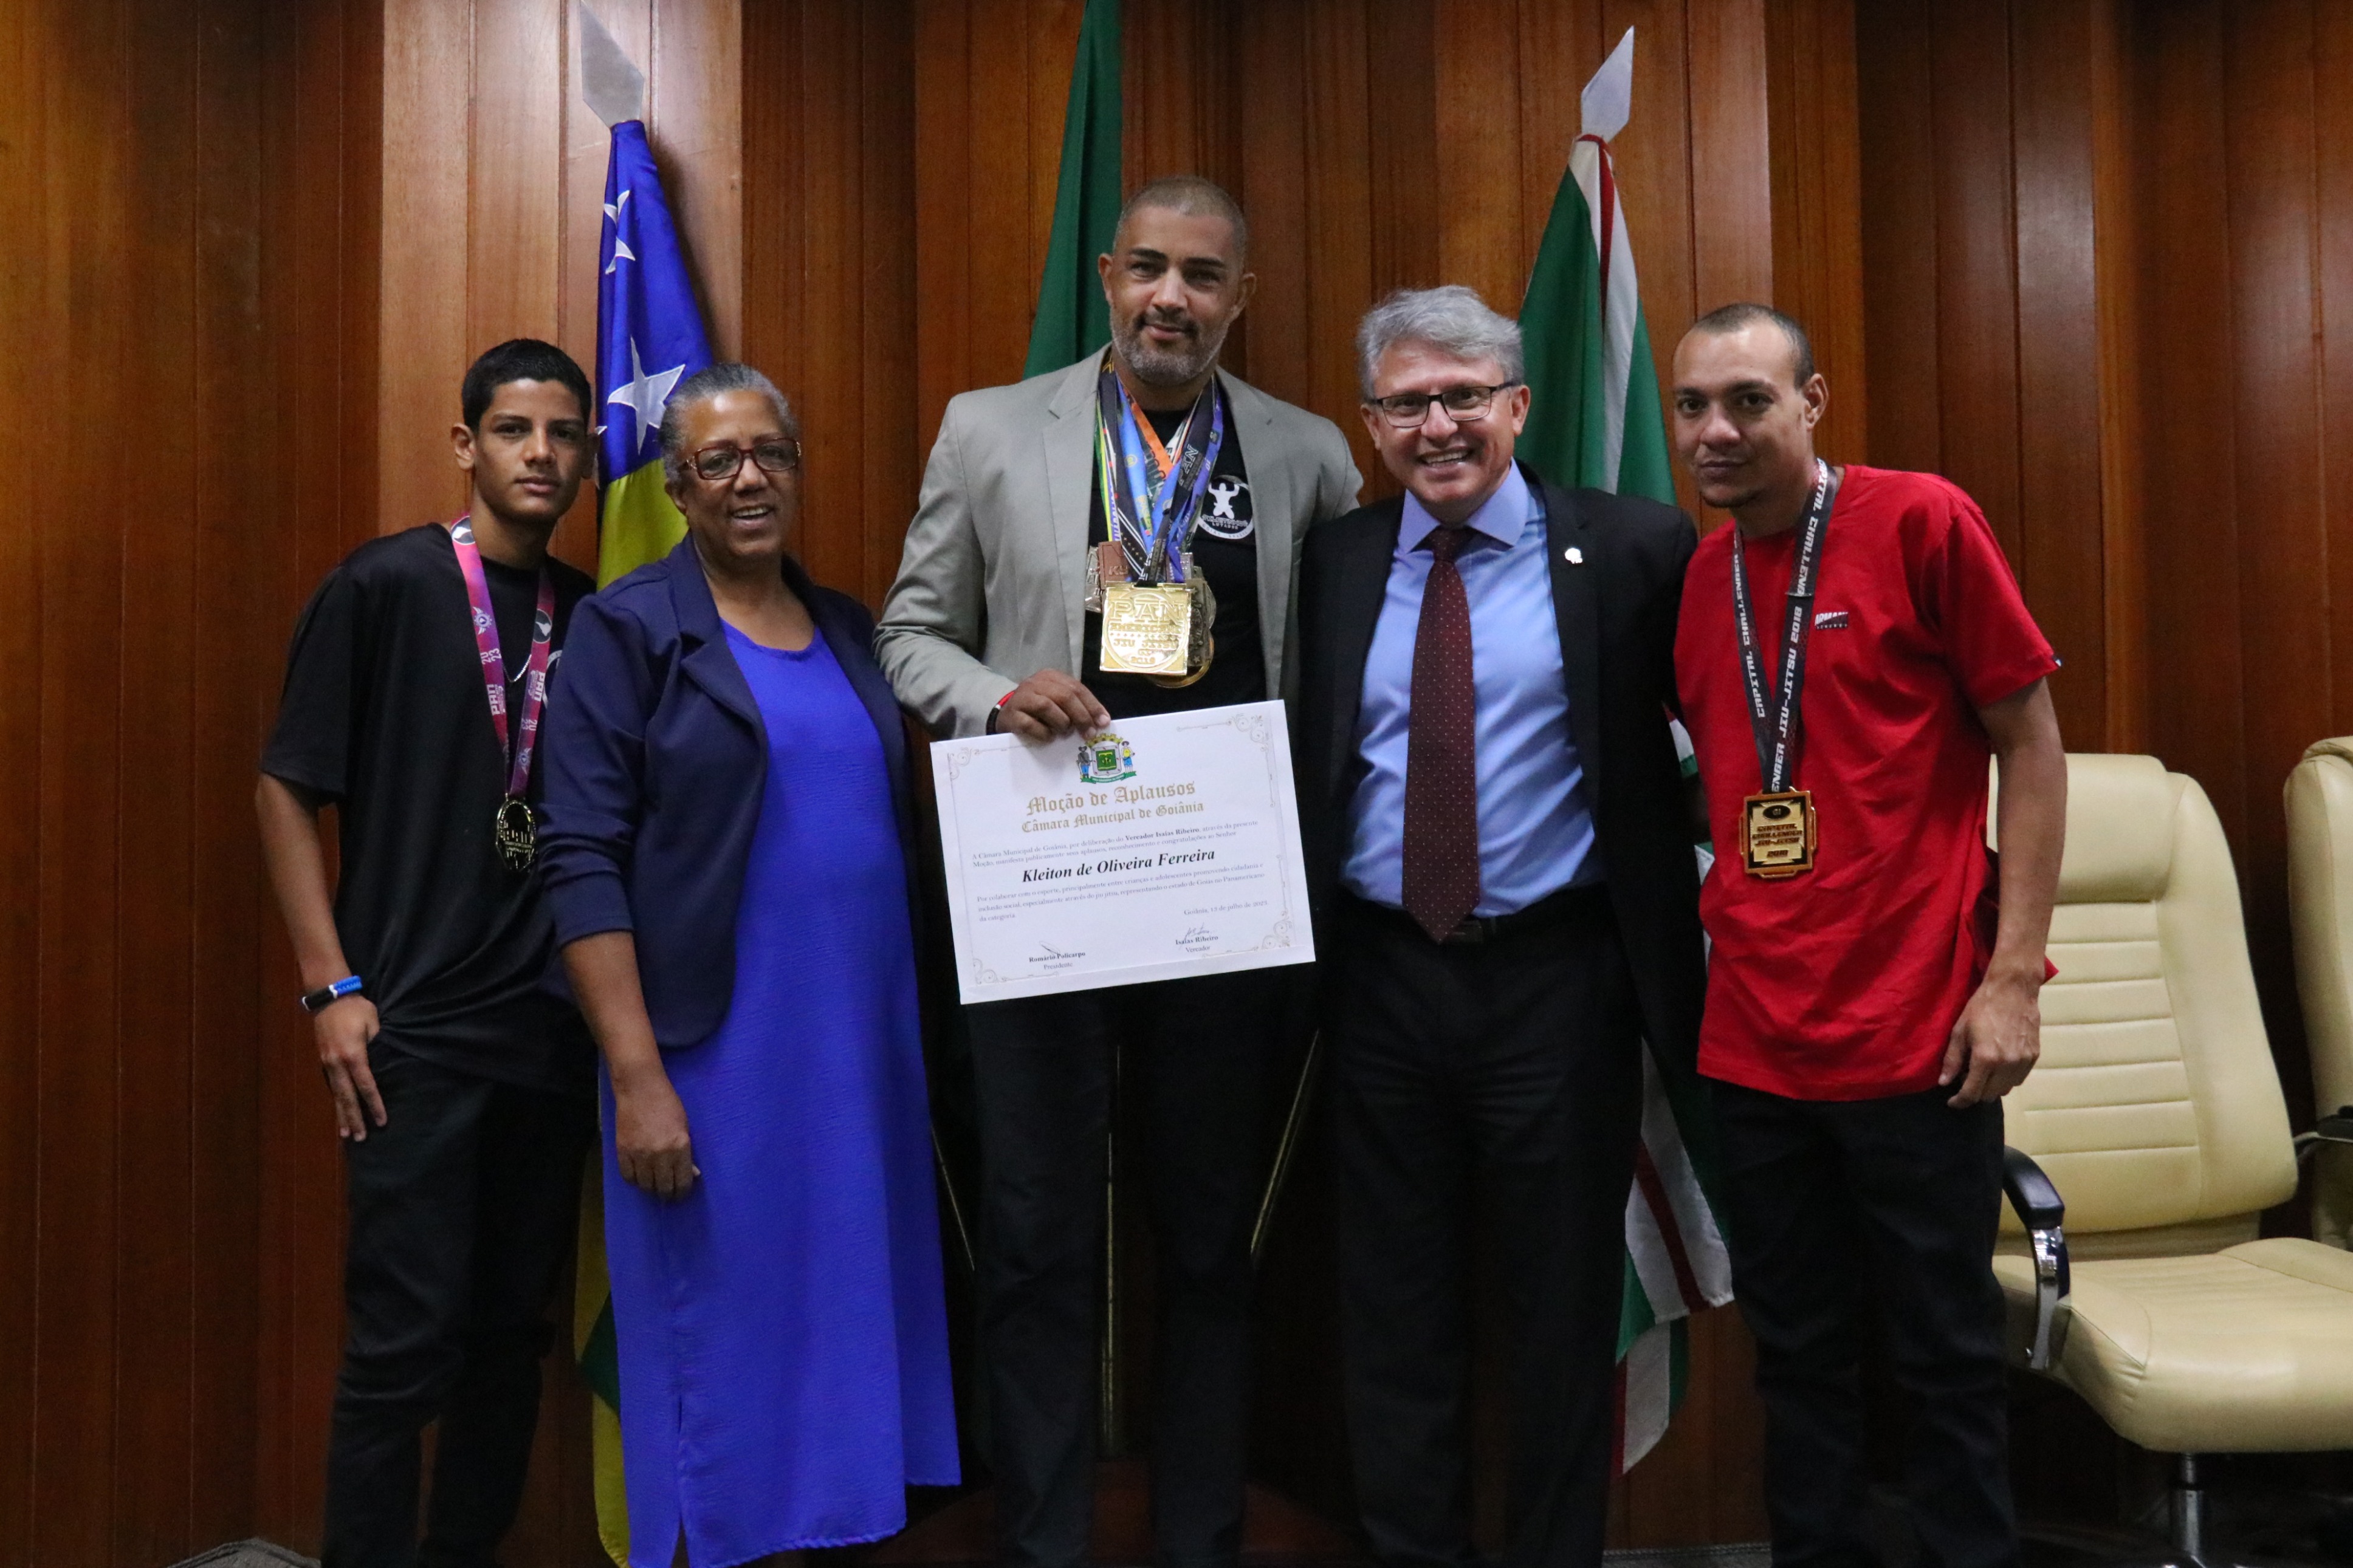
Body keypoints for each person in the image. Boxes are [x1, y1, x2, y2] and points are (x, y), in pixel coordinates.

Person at [875, 175, 1359, 1568]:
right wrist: (993, 697)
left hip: (1221, 903)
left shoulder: (1309, 454)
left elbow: (1337, 669)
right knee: (1034, 1237)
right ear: (1106, 277)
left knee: (1209, 1242)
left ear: (1239, 298)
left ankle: (1199, 1534)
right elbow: (910, 635)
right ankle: (1043, 1538)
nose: (1170, 298)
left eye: (1202, 276)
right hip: (1043, 892)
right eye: (1148, 268)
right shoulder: (988, 428)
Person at [1291, 286, 1706, 1568]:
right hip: (1379, 983)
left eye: (1464, 397)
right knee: (1393, 1311)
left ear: (1517, 406)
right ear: (1371, 425)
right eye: (1408, 403)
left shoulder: (1635, 548)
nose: (1439, 427)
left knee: (1560, 1314)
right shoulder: (1338, 561)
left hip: (1558, 985)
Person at [539, 363, 959, 1568]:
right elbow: (579, 857)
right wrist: (637, 1079)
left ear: (799, 467)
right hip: (711, 1064)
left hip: (858, 1061)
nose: (748, 478)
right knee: (727, 1347)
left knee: (844, 1332)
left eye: (770, 452)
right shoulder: (627, 630)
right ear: (676, 487)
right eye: (716, 460)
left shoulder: (848, 627)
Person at [1668, 303, 2065, 1568]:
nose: (1717, 430)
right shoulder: (1698, 578)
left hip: (1917, 1034)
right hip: (1754, 1040)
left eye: (1749, 400)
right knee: (1797, 1361)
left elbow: (2032, 745)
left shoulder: (1920, 522)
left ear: (1813, 401)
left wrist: (2013, 978)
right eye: (1692, 406)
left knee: (1944, 1356)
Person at [256, 338, 600, 1568]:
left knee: (508, 1341)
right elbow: (286, 786)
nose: (539, 454)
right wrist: (330, 987)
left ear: (588, 457)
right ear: (467, 445)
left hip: (546, 1037)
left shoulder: (588, 614)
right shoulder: (388, 584)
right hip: (409, 1036)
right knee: (402, 1350)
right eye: (513, 430)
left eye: (562, 434)